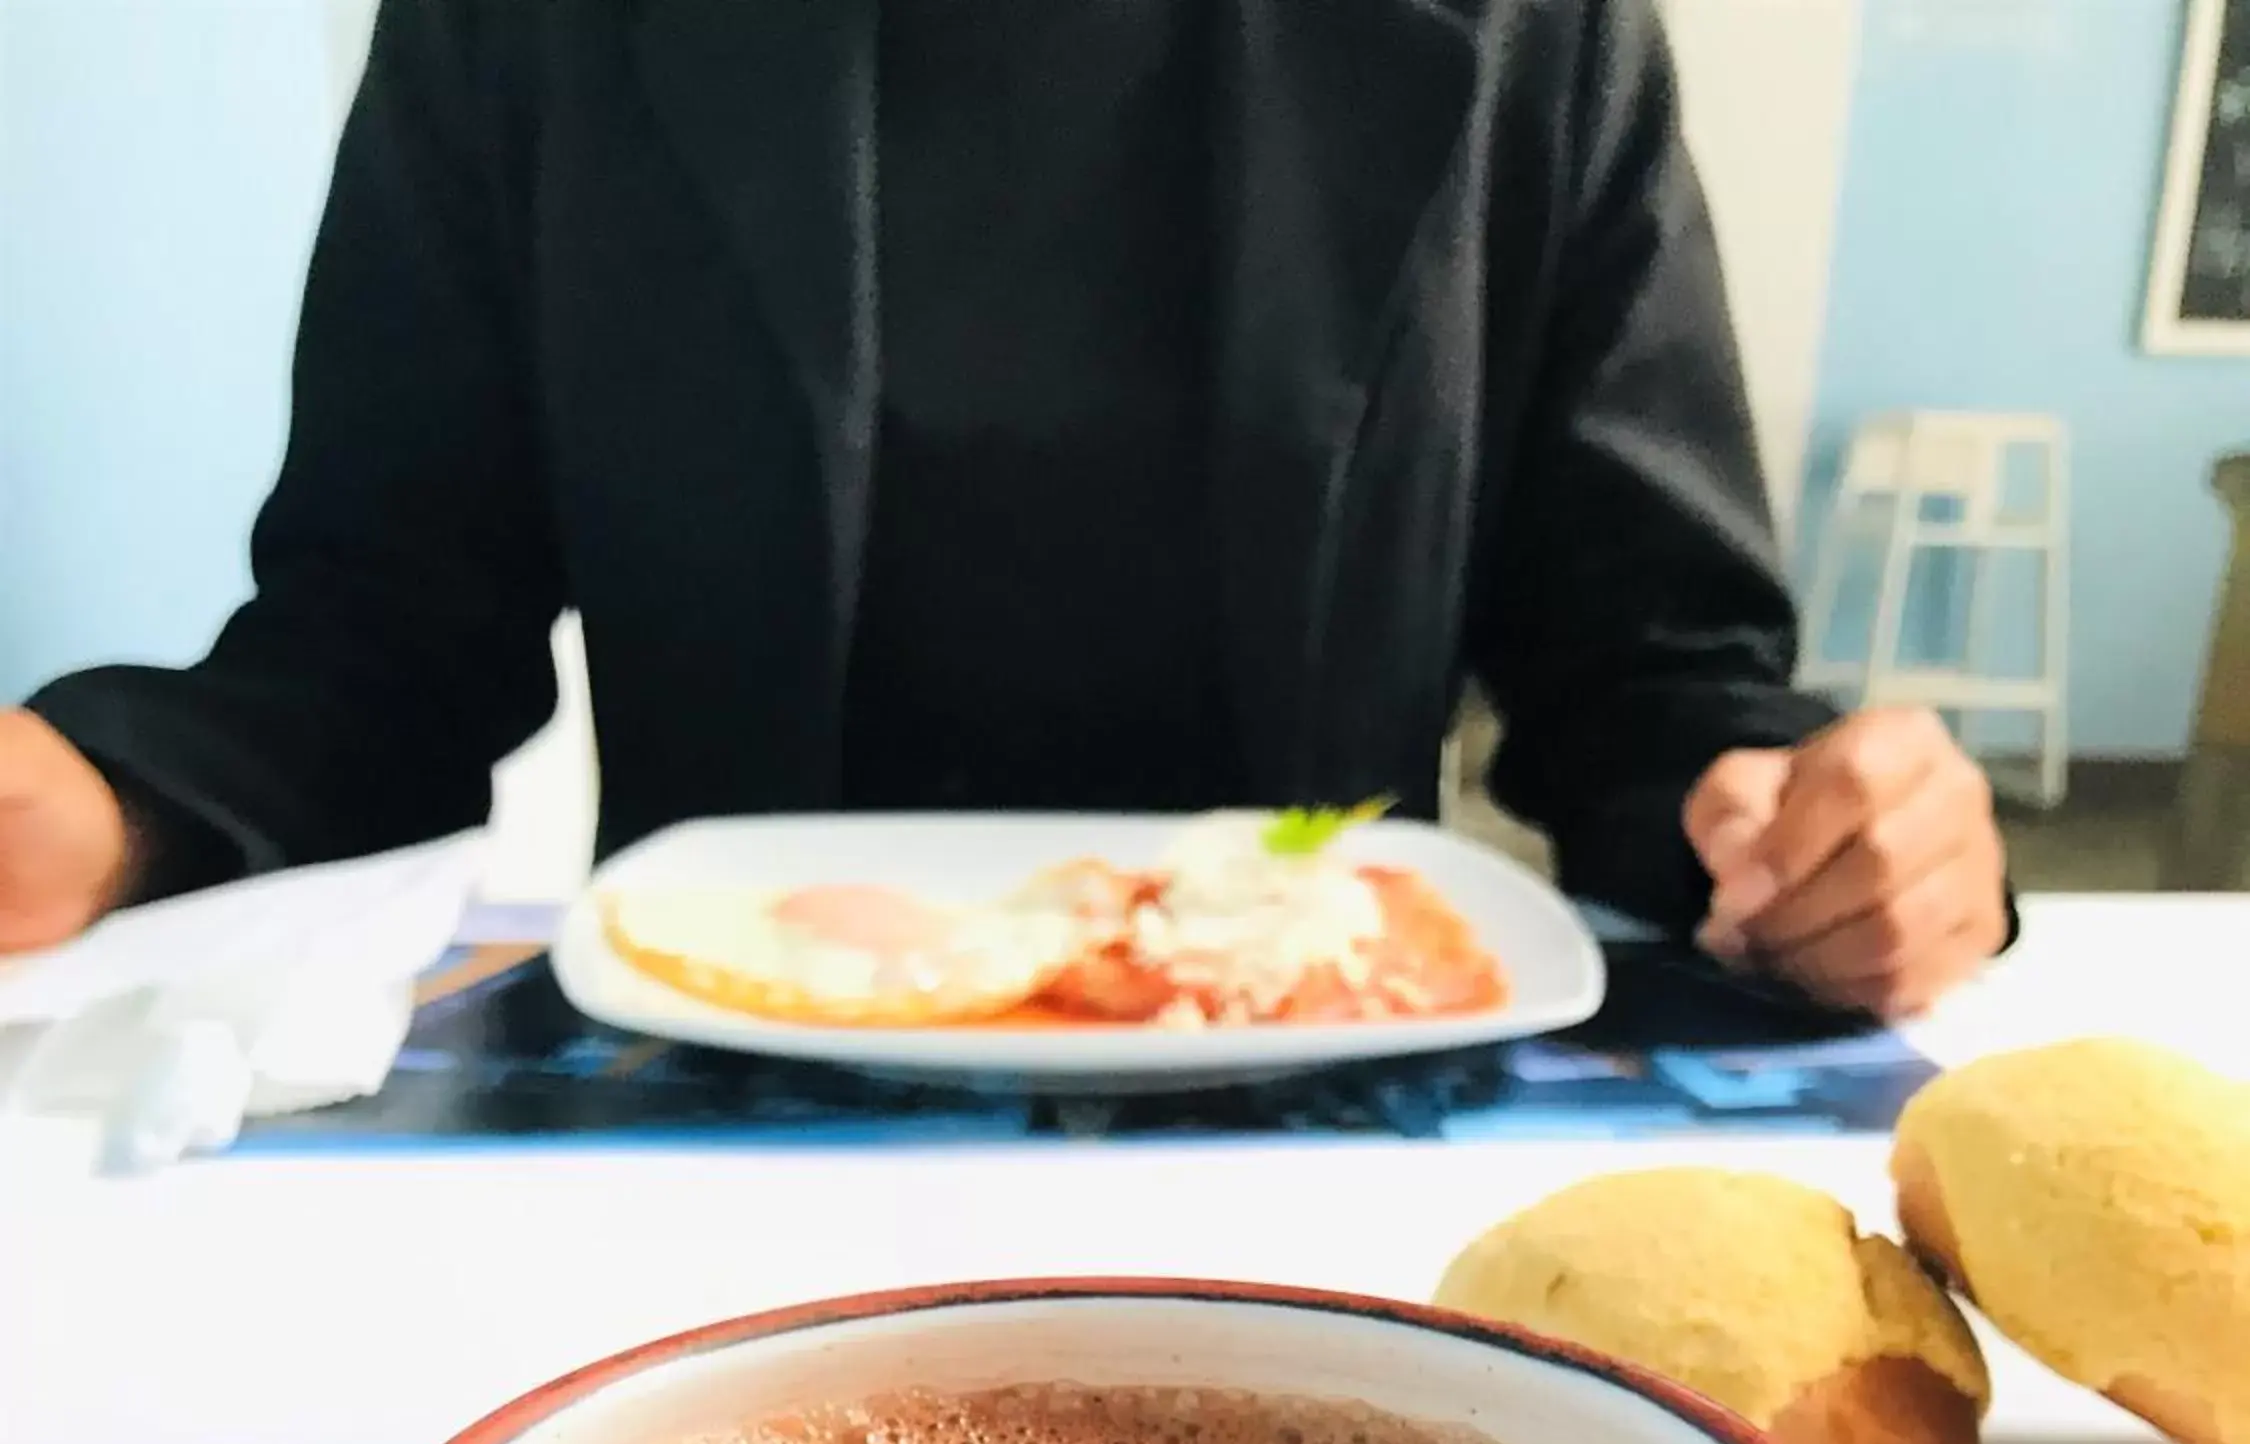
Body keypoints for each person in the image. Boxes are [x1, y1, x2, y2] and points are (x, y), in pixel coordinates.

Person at [0, 0, 2006, 1015]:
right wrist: (105, 802)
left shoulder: (1529, 34)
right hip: (726, 1103)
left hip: (1318, 1107)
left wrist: (1819, 845)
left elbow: (1656, 682)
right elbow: (379, 632)